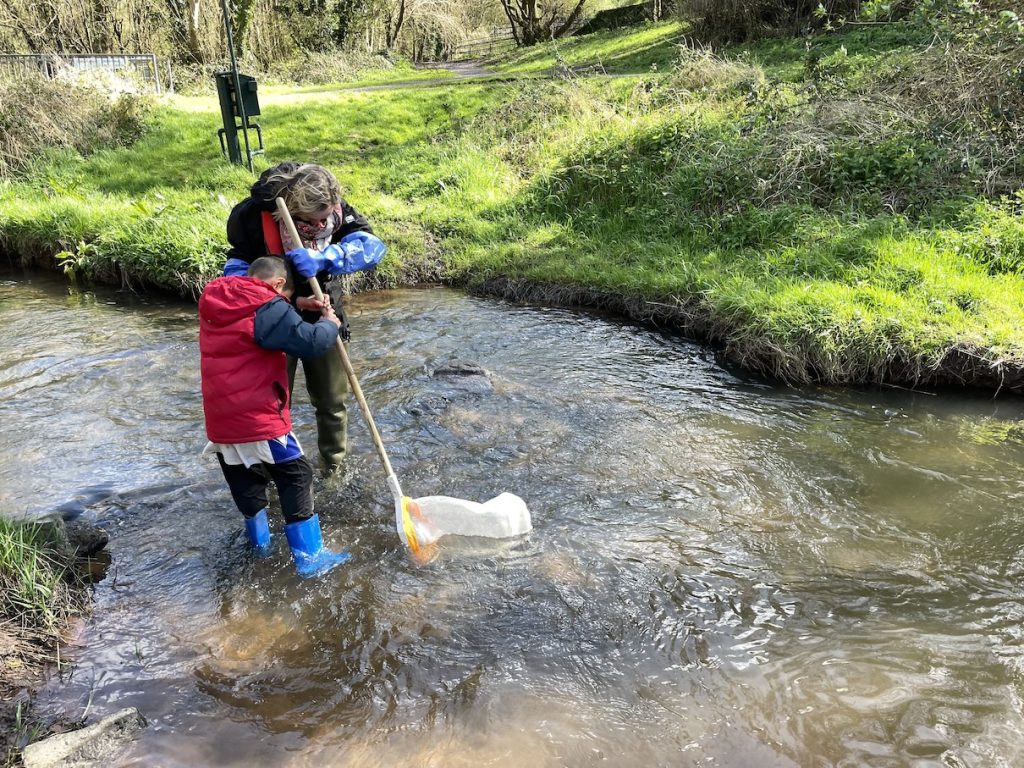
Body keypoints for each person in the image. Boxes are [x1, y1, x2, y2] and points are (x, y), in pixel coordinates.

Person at [223, 161, 386, 475]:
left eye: (327, 216)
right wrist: (286, 298)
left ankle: (333, 468)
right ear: (295, 209)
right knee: (269, 403)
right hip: (271, 316)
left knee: (331, 400)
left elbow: (372, 247)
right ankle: (273, 471)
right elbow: (236, 270)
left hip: (324, 309)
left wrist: (327, 256)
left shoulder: (334, 211)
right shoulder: (252, 216)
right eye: (314, 219)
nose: (323, 222)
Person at [199, 256, 350, 577]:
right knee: (297, 476)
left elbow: (262, 320)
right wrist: (330, 324)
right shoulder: (269, 307)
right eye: (283, 296)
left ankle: (259, 546)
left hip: (221, 421)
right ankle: (311, 560)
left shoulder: (215, 297)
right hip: (259, 417)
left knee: (245, 478)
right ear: (278, 284)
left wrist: (295, 303)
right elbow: (309, 343)